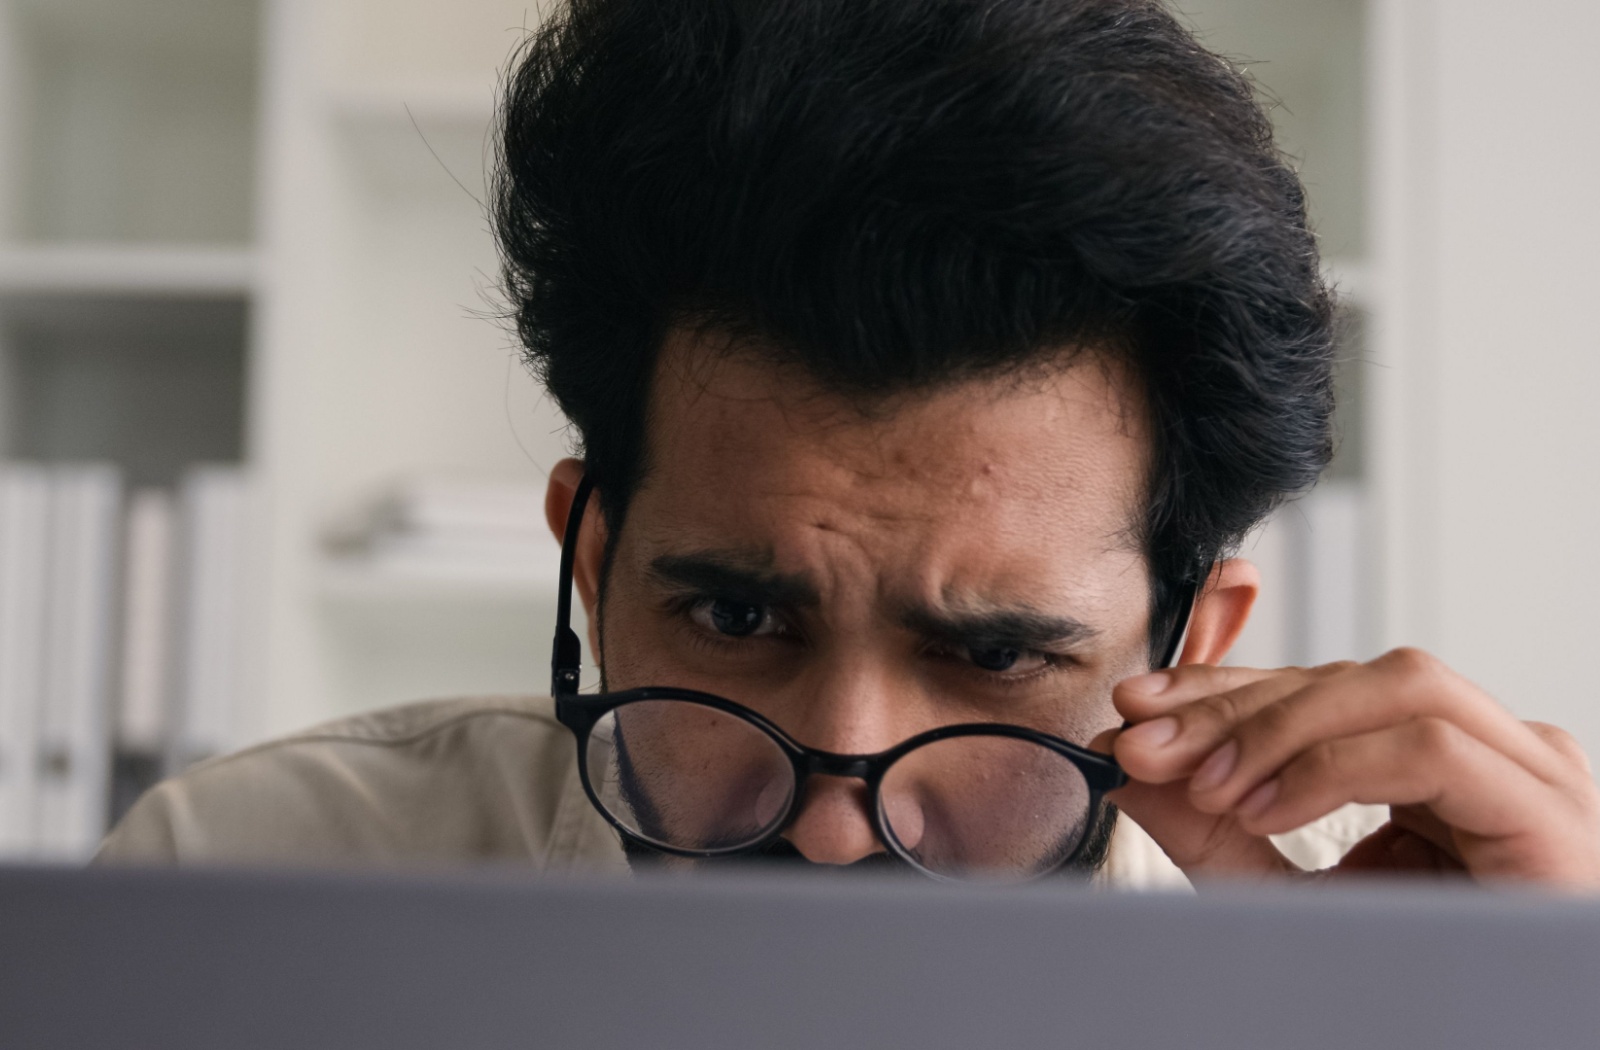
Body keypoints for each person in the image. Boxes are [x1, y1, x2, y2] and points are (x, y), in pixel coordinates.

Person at [99, 0, 1600, 888]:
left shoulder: (1362, 961)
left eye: (996, 655)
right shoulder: (243, 878)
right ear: (593, 557)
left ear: (1192, 647)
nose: (830, 822)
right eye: (738, 616)